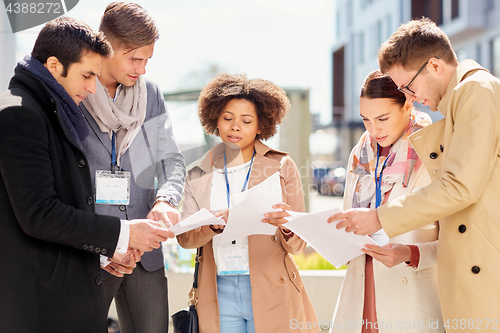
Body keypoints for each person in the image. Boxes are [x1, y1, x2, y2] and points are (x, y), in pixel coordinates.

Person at [0, 17, 173, 333]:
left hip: (84, 263)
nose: (93, 88)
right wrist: (121, 236)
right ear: (54, 66)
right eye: (87, 75)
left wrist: (112, 249)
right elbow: (40, 213)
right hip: (42, 293)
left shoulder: (46, 109)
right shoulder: (21, 113)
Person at [331, 18, 500, 325]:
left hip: (471, 277)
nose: (409, 96)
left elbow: (460, 187)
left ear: (434, 66)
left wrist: (380, 218)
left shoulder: (474, 90)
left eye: (408, 86)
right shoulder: (459, 102)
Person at [177, 73, 319, 333]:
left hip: (271, 287)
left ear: (261, 125)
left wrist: (287, 226)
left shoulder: (282, 166)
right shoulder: (197, 172)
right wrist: (213, 225)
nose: (235, 127)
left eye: (246, 120)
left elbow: (300, 241)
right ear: (215, 121)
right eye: (228, 118)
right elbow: (185, 239)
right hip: (217, 291)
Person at [79, 2, 186, 332]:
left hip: (145, 252)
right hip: (91, 251)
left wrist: (167, 199)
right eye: (134, 58)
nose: (141, 69)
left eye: (147, 60)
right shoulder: (76, 91)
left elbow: (171, 159)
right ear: (105, 45)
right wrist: (101, 246)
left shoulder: (150, 94)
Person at [329, 71, 443, 333]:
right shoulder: (360, 155)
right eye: (366, 120)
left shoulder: (435, 151)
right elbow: (348, 217)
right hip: (359, 295)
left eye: (382, 118)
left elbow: (459, 238)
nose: (373, 129)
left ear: (407, 103)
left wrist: (411, 253)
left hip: (411, 297)